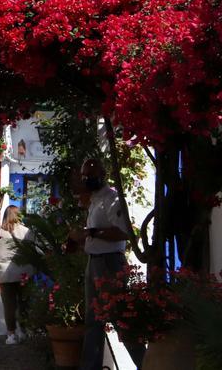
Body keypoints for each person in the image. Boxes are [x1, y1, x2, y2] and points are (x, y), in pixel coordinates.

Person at [73, 158, 146, 370]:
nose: (87, 180)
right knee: (92, 319)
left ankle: (145, 363)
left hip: (109, 262)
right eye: (85, 176)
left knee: (119, 315)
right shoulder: (94, 198)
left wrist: (91, 233)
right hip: (94, 261)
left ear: (102, 176)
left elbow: (123, 232)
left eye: (91, 176)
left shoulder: (111, 198)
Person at [0, 205, 31, 345]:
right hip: (23, 272)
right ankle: (24, 331)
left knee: (9, 305)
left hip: (5, 272)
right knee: (24, 303)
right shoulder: (26, 231)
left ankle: (11, 335)